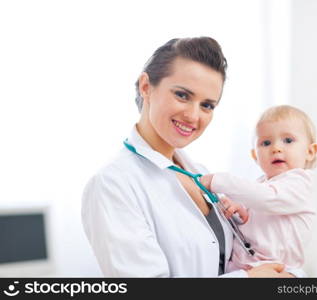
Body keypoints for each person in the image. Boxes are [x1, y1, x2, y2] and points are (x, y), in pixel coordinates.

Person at [81, 37, 302, 277]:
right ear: (146, 86)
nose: (193, 116)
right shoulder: (112, 185)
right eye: (183, 95)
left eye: (207, 105)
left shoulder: (197, 172)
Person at [200, 105, 317, 274]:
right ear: (255, 155)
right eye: (266, 143)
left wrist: (218, 181)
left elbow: (269, 199)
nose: (276, 148)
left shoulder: (300, 183)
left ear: (310, 151)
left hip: (277, 271)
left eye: (288, 140)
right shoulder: (261, 185)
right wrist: (241, 213)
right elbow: (260, 219)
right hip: (244, 270)